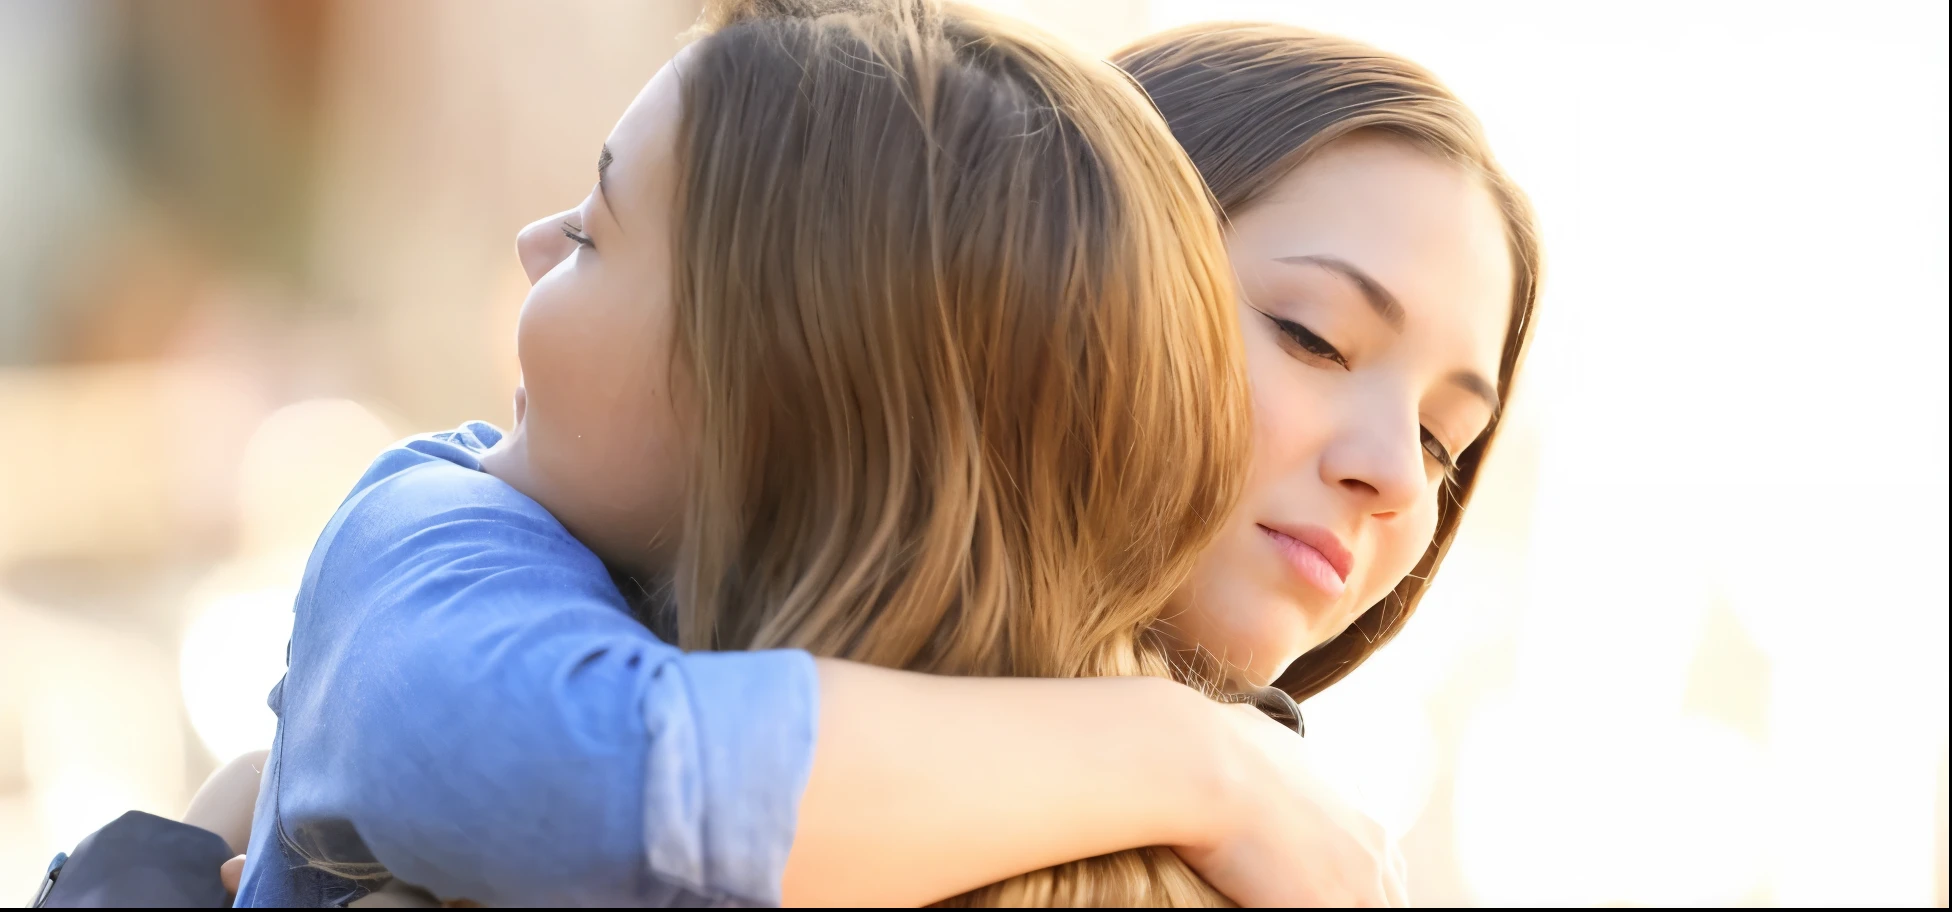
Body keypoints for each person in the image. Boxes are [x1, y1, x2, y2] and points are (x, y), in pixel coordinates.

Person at [35, 10, 1540, 910]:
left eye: (1446, 440)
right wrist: (1201, 765)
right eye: (1313, 335)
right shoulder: (478, 540)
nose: (1394, 477)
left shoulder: (1256, 846)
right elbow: (577, 770)